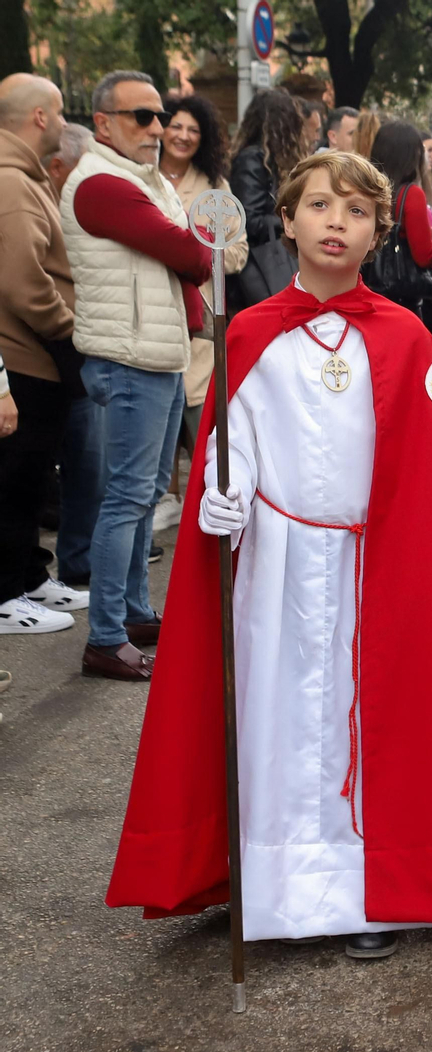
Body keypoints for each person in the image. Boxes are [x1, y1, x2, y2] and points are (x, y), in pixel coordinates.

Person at [106, 150, 432, 960]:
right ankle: (275, 885)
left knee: (364, 720)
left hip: (375, 565)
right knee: (278, 716)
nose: (338, 222)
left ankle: (370, 884)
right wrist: (225, 496)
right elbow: (238, 439)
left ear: (377, 232)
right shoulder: (250, 333)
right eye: (321, 205)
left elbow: (425, 471)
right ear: (289, 219)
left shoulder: (404, 338)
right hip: (276, 564)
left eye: (358, 211)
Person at [60, 70, 212, 681]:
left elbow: (194, 247)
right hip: (131, 358)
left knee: (143, 495)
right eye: (141, 117)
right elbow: (196, 254)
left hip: (155, 353)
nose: (156, 127)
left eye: (159, 114)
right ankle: (104, 637)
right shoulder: (103, 183)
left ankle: (132, 613)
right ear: (102, 124)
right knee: (125, 499)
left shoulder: (136, 179)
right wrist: (194, 238)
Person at [0, 74, 86, 635]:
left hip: (35, 356)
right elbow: (21, 279)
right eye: (57, 114)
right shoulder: (12, 182)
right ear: (38, 118)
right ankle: (6, 594)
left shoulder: (23, 178)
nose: (62, 124)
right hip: (28, 357)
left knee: (29, 480)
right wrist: (65, 329)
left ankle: (27, 577)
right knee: (14, 479)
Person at [156, 94, 250, 532]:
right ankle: (164, 497)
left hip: (199, 320)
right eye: (176, 126)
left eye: (193, 130)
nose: (183, 136)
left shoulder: (214, 188)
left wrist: (200, 254)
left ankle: (207, 503)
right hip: (152, 316)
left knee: (202, 423)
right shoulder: (143, 179)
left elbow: (238, 253)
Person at [41, 123, 104, 590]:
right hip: (54, 346)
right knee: (75, 457)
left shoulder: (70, 199)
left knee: (87, 460)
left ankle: (78, 558)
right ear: (59, 167)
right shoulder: (40, 199)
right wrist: (74, 327)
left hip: (71, 345)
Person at [231, 90, 307, 308]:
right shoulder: (253, 160)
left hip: (273, 259)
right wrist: (292, 220)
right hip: (260, 264)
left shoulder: (273, 160)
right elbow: (248, 219)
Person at [365, 121, 432, 319]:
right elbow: (424, 255)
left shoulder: (364, 190)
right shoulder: (411, 194)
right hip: (402, 302)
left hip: (366, 292)